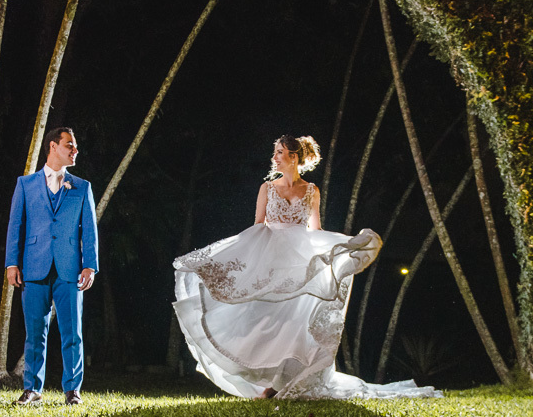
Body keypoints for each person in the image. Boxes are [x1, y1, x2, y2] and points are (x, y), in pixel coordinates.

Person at [173, 135, 440, 401]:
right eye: (275, 152)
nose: (274, 157)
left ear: (294, 157)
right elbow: (257, 225)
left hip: (300, 263)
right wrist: (229, 257)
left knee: (294, 324)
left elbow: (316, 229)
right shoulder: (267, 188)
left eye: (279, 152)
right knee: (266, 320)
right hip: (270, 259)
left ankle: (278, 386)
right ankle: (265, 383)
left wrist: (342, 246)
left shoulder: (312, 190)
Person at [5, 127, 98, 405]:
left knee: (72, 332)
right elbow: (16, 226)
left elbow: (89, 231)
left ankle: (72, 391)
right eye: (70, 145)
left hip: (69, 268)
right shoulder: (26, 184)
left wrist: (89, 265)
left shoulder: (82, 187)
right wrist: (12, 263)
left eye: (76, 146)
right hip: (34, 266)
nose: (75, 150)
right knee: (35, 333)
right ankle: (32, 389)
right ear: (53, 146)